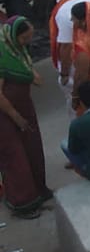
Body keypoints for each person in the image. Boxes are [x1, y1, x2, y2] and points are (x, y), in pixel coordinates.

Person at [0, 17, 50, 218]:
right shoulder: (2, 54)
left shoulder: (17, 51)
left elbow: (37, 79)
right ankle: (23, 203)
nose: (26, 43)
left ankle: (39, 191)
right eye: (24, 39)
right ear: (14, 37)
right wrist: (16, 117)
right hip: (6, 113)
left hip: (24, 106)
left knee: (33, 149)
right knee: (15, 157)